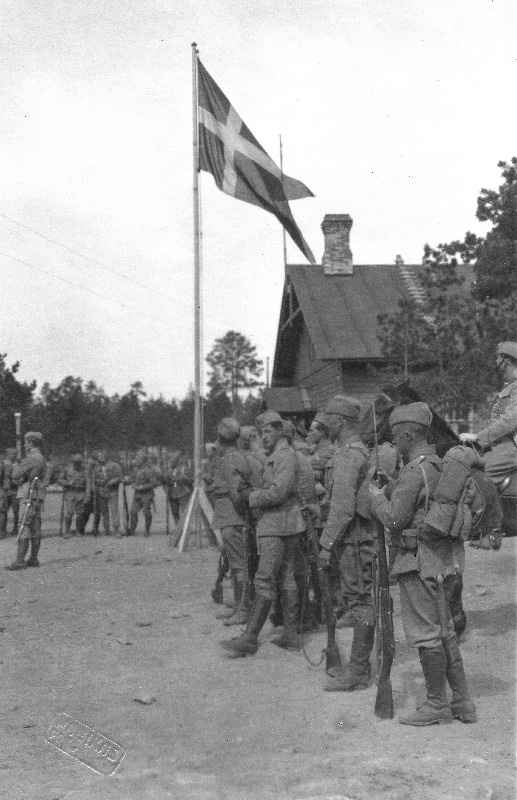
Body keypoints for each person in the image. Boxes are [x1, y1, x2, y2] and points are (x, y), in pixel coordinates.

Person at [370, 402, 477, 726]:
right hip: (442, 560)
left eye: (394, 436)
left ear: (407, 433)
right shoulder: (435, 465)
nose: (392, 442)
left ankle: (435, 704)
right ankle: (462, 702)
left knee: (426, 634)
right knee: (444, 631)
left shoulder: (414, 470)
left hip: (415, 560)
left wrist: (376, 496)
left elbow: (395, 518)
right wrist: (391, 485)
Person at [220, 410, 305, 656]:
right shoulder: (277, 456)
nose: (263, 437)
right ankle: (291, 634)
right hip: (287, 524)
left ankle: (249, 638)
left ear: (279, 431)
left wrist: (250, 497)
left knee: (264, 579)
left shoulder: (284, 456)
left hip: (276, 525)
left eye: (268, 431)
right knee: (287, 577)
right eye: (260, 433)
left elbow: (277, 492)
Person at [317, 395, 377, 691]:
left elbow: (342, 509)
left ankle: (358, 672)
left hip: (354, 541)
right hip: (356, 538)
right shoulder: (355, 453)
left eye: (328, 417)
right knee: (359, 600)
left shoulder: (347, 457)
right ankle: (358, 667)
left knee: (361, 602)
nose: (324, 422)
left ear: (340, 422)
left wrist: (326, 544)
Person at [211, 418, 256, 626]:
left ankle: (244, 609)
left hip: (232, 515)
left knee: (239, 566)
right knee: (237, 564)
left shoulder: (231, 459)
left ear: (221, 437)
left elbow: (236, 493)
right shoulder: (231, 457)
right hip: (228, 514)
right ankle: (239, 605)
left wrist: (242, 517)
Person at [460, 341, 517, 483]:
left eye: (498, 358)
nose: (496, 361)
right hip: (499, 446)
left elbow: (509, 422)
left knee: (477, 478)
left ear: (507, 360)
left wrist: (477, 438)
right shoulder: (509, 386)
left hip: (511, 449)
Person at [5, 432, 46, 570]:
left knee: (24, 526)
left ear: (31, 443)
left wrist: (19, 467)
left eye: (26, 442)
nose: (24, 445)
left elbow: (15, 474)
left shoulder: (32, 458)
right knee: (35, 527)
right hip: (37, 495)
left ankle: (19, 561)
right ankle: (33, 558)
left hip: (28, 494)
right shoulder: (41, 457)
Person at [126, 452, 159, 536]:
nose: (135, 461)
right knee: (133, 512)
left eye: (138, 459)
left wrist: (143, 487)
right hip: (137, 494)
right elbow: (132, 480)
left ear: (143, 461)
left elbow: (154, 483)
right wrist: (133, 485)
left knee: (146, 511)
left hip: (147, 494)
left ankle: (147, 530)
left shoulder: (148, 470)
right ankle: (132, 530)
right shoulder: (135, 470)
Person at [90, 452, 123, 537]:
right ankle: (106, 529)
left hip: (112, 491)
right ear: (96, 459)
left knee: (114, 510)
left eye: (101, 455)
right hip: (101, 492)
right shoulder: (95, 469)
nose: (101, 458)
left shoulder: (114, 465)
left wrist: (113, 481)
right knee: (104, 512)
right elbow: (93, 481)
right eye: (98, 457)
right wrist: (94, 486)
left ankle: (116, 530)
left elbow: (120, 477)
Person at [58, 454, 89, 538]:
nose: (77, 464)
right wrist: (67, 483)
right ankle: (67, 531)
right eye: (76, 462)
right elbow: (60, 480)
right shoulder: (67, 468)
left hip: (81, 493)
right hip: (70, 493)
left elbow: (88, 483)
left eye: (79, 463)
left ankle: (78, 531)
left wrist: (87, 495)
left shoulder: (85, 469)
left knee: (80, 514)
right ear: (73, 462)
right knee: (69, 513)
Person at [1, 448, 20, 538]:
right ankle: (3, 530)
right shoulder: (5, 464)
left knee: (14, 511)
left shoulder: (15, 465)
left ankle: (12, 529)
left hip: (12, 491)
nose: (13, 456)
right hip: (8, 491)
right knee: (3, 511)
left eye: (14, 454)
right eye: (12, 454)